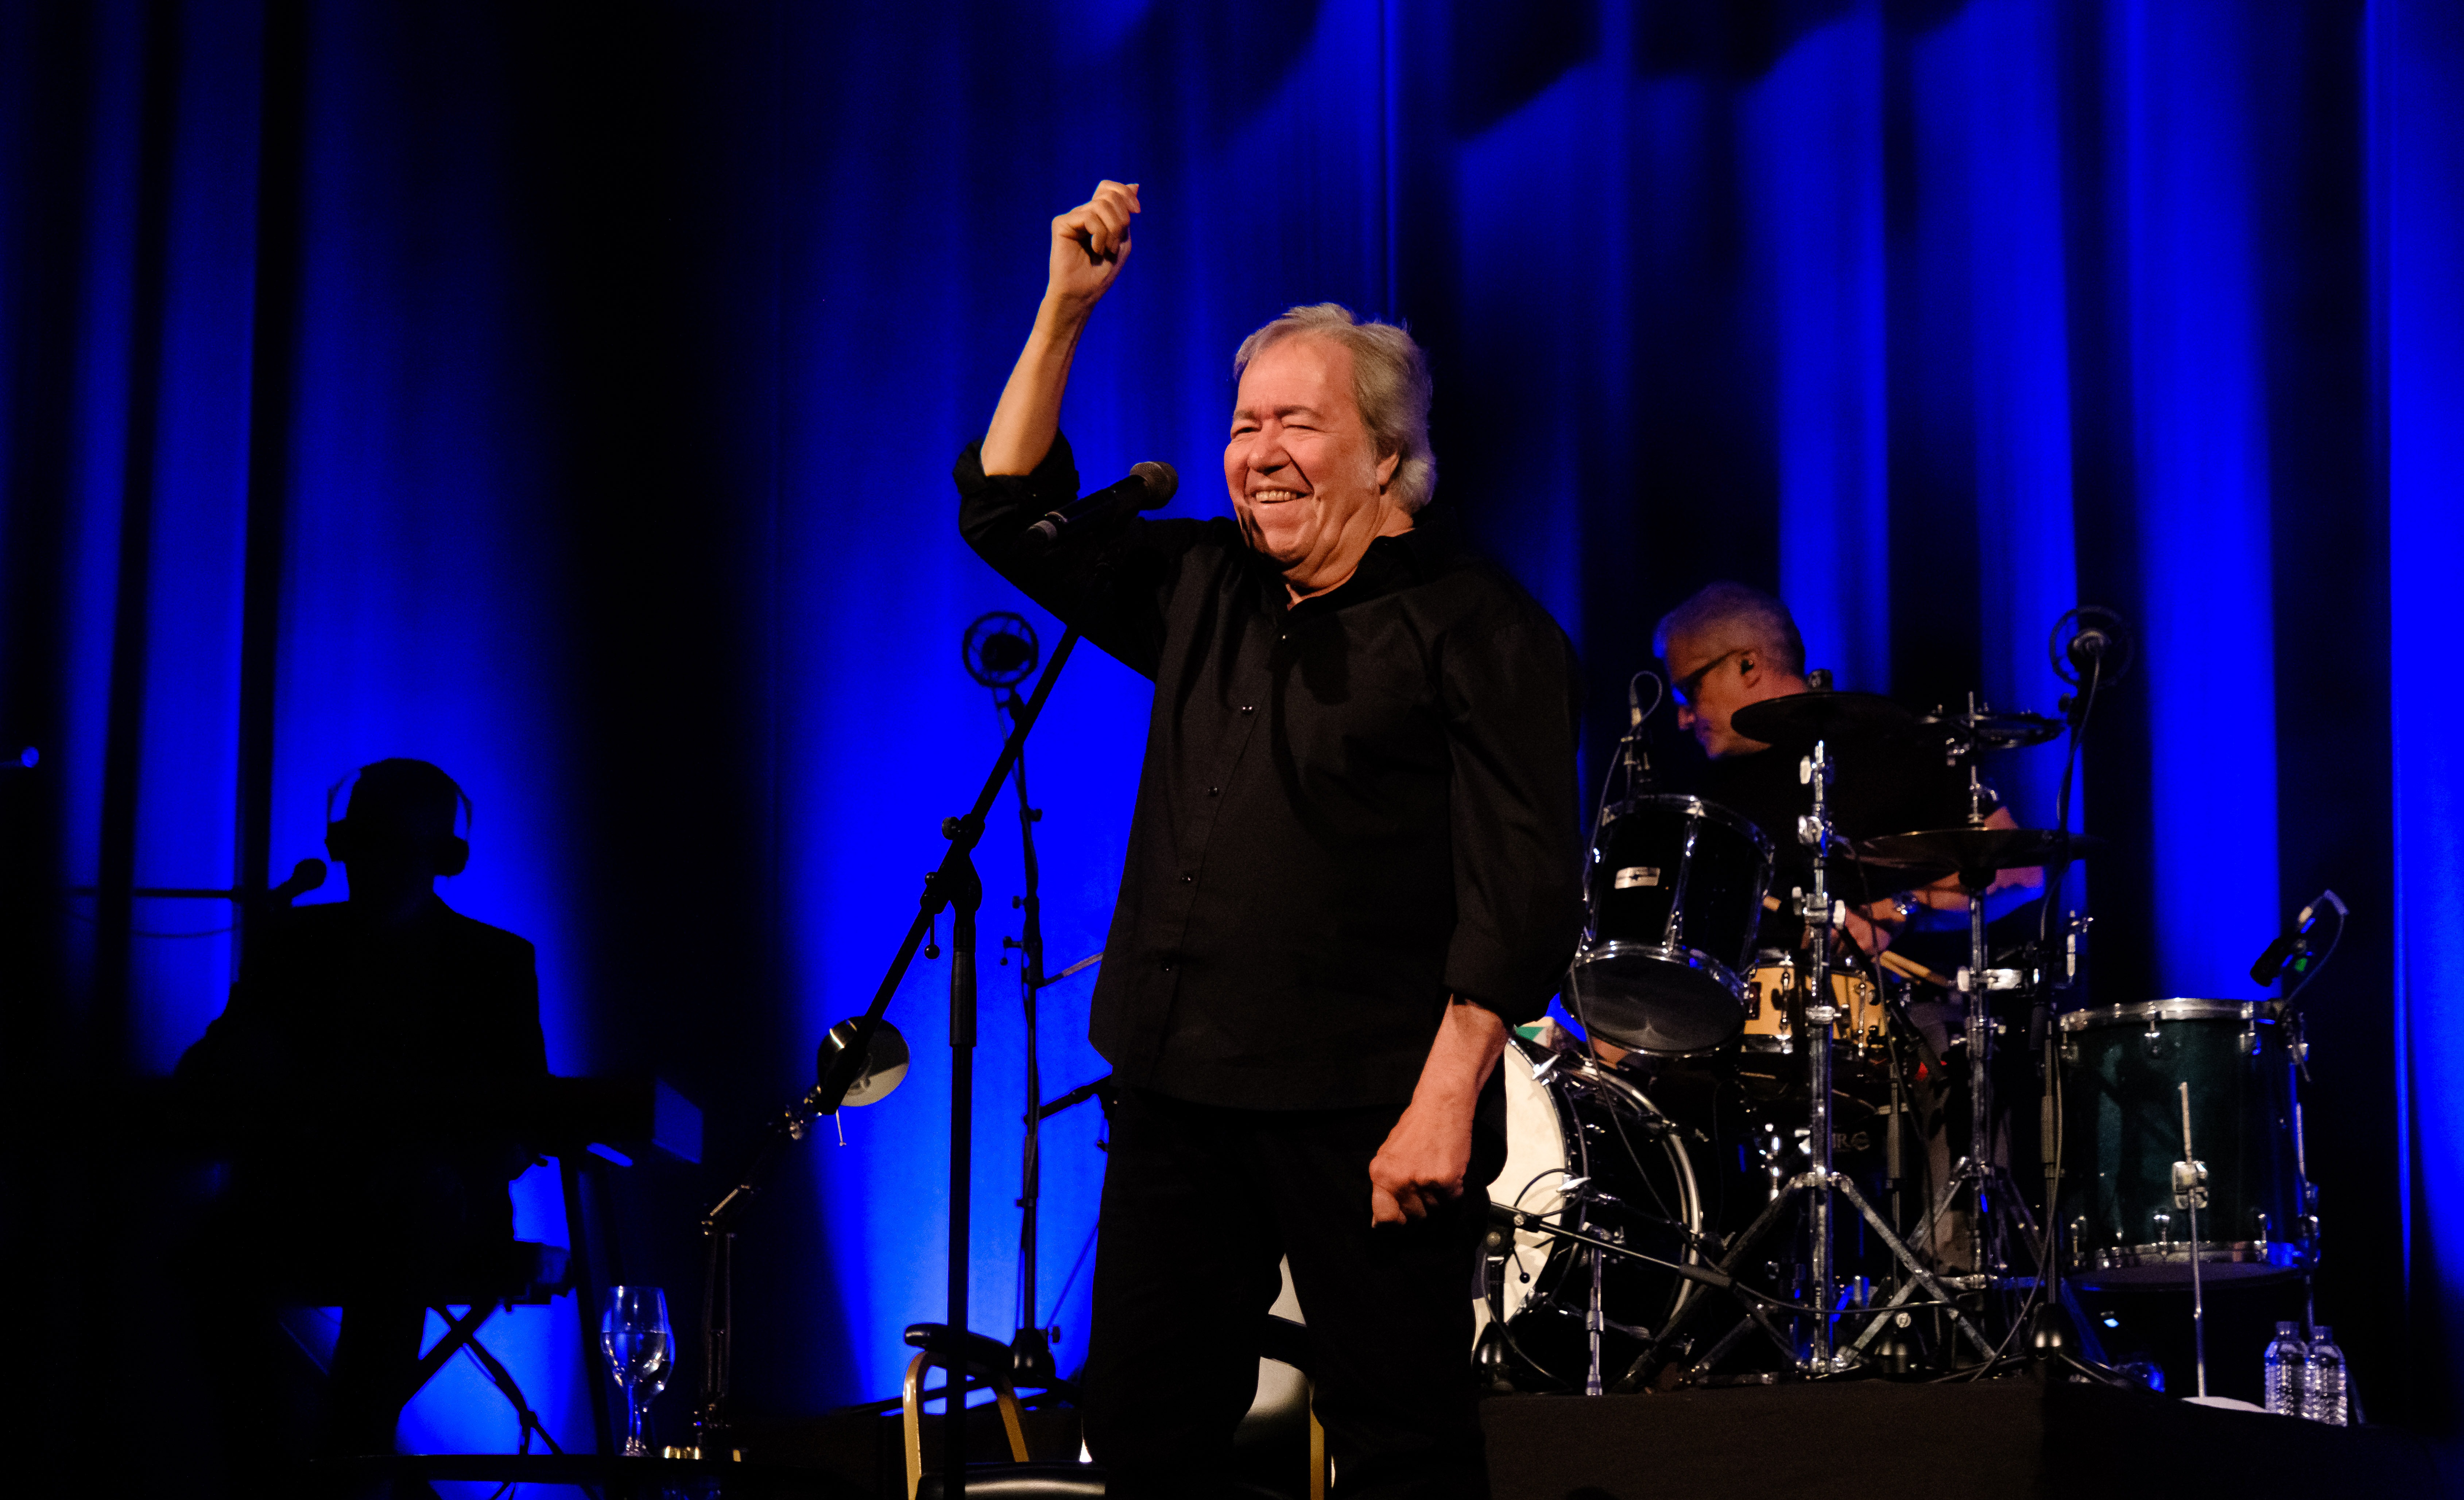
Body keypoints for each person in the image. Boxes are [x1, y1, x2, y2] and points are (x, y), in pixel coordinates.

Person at [957, 181, 1583, 1497]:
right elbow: (1005, 509)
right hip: (1179, 1083)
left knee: (1399, 1433)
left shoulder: (1480, 627)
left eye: (1296, 421)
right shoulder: (1202, 584)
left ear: (1385, 451)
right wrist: (1067, 307)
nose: (1258, 451)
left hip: (1365, 1103)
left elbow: (1522, 884)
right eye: (1244, 424)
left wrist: (1444, 1103)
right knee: (1142, 1425)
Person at [178, 758, 547, 1475]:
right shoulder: (295, 944)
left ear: (446, 859)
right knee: (210, 1255)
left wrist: (447, 1168)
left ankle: (345, 1465)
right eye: (356, 840)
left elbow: (526, 1112)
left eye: (388, 843)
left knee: (404, 1230)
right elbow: (211, 1065)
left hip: (433, 1209)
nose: (364, 862)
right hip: (303, 1199)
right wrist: (233, 1059)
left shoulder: (494, 962)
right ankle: (276, 1470)